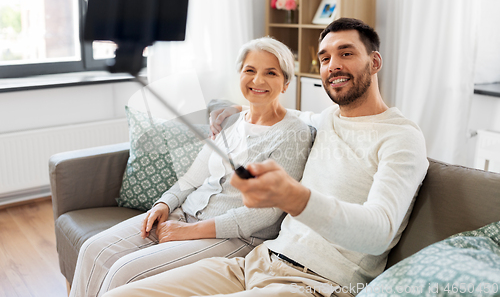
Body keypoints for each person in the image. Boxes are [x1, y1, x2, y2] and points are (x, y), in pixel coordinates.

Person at [102, 18, 429, 297]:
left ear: (374, 62)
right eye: (325, 58)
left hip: (315, 284)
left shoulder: (401, 138)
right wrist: (240, 108)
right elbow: (285, 115)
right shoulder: (326, 120)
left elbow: (379, 232)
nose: (334, 66)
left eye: (346, 53)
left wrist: (296, 197)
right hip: (255, 263)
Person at [69, 37, 313, 297]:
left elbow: (264, 215)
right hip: (183, 214)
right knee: (93, 249)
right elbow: (192, 177)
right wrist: (164, 204)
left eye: (271, 73)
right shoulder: (229, 120)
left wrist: (187, 231)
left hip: (235, 237)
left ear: (286, 82)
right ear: (240, 74)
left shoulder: (293, 133)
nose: (257, 80)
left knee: (124, 272)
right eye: (250, 70)